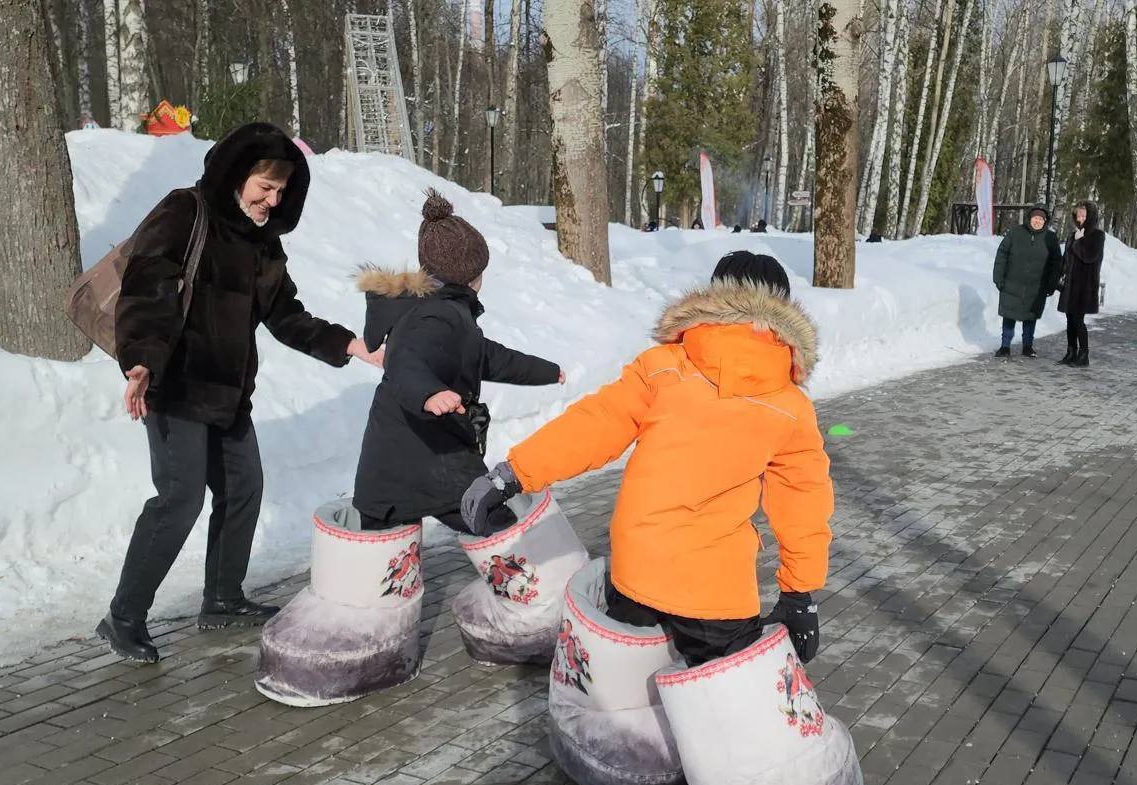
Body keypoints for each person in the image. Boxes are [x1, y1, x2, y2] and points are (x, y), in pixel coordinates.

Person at [459, 252, 832, 666]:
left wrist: (514, 473)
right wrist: (799, 595)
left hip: (638, 571)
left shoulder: (661, 369)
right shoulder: (789, 405)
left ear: (713, 299)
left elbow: (593, 425)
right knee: (727, 703)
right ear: (784, 314)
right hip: (716, 591)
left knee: (624, 697)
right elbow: (803, 503)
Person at [101, 122, 378, 664]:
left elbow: (286, 315)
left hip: (228, 395)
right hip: (174, 386)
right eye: (264, 187)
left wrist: (349, 344)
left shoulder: (262, 242)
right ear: (237, 175)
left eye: (281, 192)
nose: (272, 201)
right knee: (179, 501)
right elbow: (146, 290)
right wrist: (139, 362)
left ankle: (223, 597)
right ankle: (124, 616)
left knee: (244, 487)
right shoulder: (185, 212)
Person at [351, 189, 562, 534]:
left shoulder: (445, 312)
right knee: (493, 520)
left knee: (388, 558)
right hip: (430, 456)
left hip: (396, 461)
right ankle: (535, 582)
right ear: (470, 277)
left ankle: (382, 588)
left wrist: (547, 371)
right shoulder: (436, 316)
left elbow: (488, 356)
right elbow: (405, 362)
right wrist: (429, 394)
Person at [990, 205, 1063, 357]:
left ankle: (1027, 347)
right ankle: (1005, 346)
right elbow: (1002, 254)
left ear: (1045, 221)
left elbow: (1056, 262)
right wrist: (998, 277)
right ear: (1030, 219)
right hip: (1012, 283)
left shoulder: (1050, 238)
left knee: (1030, 317)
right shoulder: (1015, 233)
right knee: (1009, 315)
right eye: (1035, 218)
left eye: (1041, 219)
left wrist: (1052, 283)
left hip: (1037, 286)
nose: (1037, 221)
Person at [1058, 201, 1105, 367]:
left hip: (1084, 286)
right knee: (1069, 319)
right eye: (1078, 214)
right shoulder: (1073, 234)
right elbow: (1066, 258)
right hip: (1070, 285)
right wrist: (1061, 274)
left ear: (1090, 217)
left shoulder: (1097, 236)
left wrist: (1079, 241)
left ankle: (1084, 355)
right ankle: (1071, 351)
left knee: (1078, 320)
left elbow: (1089, 256)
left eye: (1084, 215)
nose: (1080, 218)